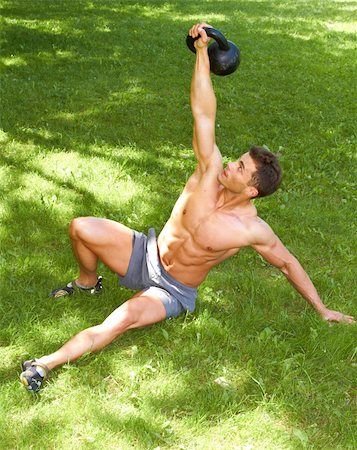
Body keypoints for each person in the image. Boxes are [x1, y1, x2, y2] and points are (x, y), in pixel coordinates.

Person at [20, 23, 355, 393]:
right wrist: (201, 54)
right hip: (147, 253)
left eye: (240, 168)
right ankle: (87, 283)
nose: (231, 165)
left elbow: (288, 263)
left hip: (173, 290)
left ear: (252, 192)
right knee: (81, 227)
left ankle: (42, 365)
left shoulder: (250, 230)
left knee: (119, 320)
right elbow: (203, 112)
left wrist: (322, 309)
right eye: (238, 160)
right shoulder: (209, 169)